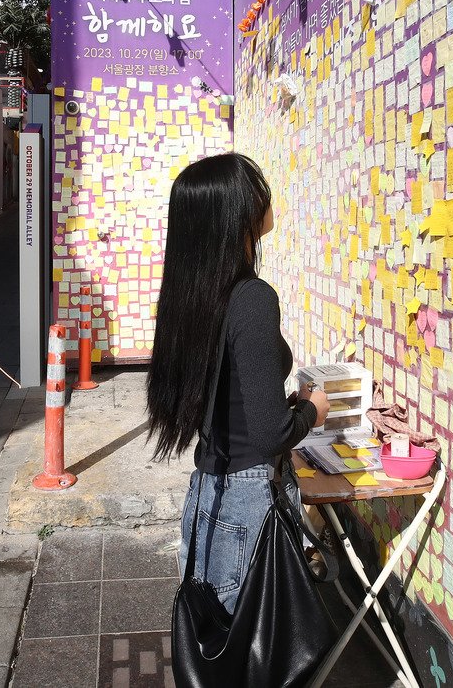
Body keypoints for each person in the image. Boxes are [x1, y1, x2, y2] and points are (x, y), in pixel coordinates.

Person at [147, 152, 330, 614]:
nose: (268, 199)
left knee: (221, 639)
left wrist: (273, 402)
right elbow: (271, 435)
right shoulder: (251, 298)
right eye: (258, 190)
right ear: (238, 214)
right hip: (251, 500)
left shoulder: (192, 296)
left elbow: (230, 396)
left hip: (208, 493)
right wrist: (312, 410)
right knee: (258, 647)